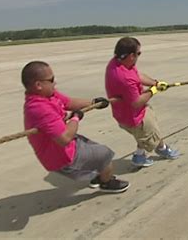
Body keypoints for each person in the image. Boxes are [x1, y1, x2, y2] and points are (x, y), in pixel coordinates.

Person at [22, 61, 129, 193]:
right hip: (62, 157)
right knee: (105, 154)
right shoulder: (39, 108)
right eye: (51, 79)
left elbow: (69, 102)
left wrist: (94, 102)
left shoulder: (48, 94)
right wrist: (75, 118)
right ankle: (105, 182)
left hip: (67, 145)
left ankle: (97, 176)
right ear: (38, 85)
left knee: (94, 148)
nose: (55, 83)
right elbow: (65, 138)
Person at [105, 37, 180, 167]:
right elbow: (136, 102)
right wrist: (154, 90)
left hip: (130, 112)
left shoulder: (118, 62)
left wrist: (155, 83)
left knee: (147, 134)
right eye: (138, 53)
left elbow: (137, 76)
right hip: (134, 117)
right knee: (150, 134)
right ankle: (159, 150)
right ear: (131, 55)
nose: (139, 56)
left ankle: (141, 155)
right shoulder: (124, 78)